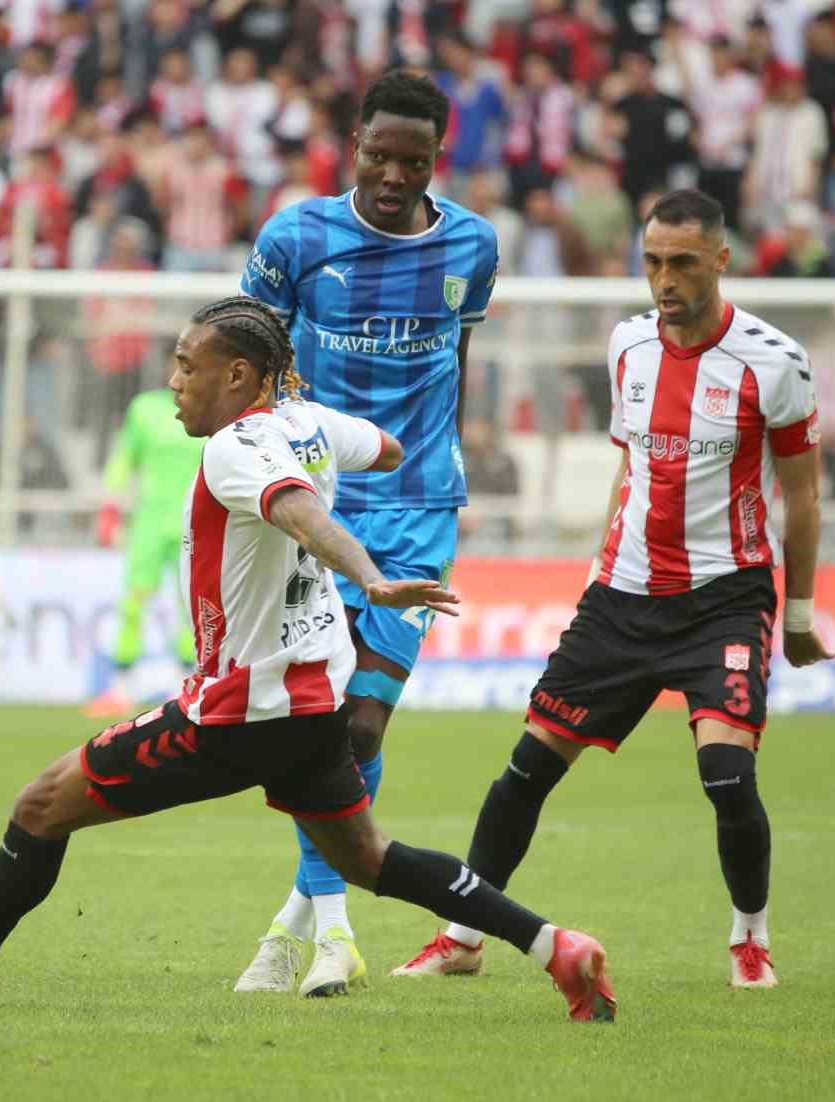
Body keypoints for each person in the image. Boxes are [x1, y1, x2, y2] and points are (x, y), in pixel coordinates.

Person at [0, 296, 616, 1023]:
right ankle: (557, 947)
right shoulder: (304, 422)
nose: (173, 382)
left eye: (186, 366)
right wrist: (309, 421)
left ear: (237, 376)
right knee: (369, 858)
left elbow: (299, 511)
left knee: (40, 804)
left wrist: (371, 577)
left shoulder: (236, 447)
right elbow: (386, 450)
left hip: (239, 712)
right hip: (312, 705)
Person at [394, 189, 833, 988]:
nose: (664, 280)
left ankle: (750, 938)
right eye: (653, 262)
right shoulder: (628, 345)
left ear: (722, 260)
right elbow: (633, 465)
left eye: (684, 264)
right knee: (525, 771)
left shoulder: (775, 362)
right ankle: (460, 936)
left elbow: (802, 494)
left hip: (724, 600)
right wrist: (599, 567)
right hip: (620, 601)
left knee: (728, 779)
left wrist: (798, 613)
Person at [235, 70, 498, 996]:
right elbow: (251, 356)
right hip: (318, 501)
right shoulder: (295, 236)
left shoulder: (474, 244)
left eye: (412, 161)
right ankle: (317, 927)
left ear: (437, 160)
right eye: (377, 155)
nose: (392, 174)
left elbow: (460, 350)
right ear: (354, 145)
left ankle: (306, 926)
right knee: (319, 722)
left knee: (360, 719)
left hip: (420, 508)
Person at [84, 385, 204, 717]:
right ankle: (121, 686)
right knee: (133, 601)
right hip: (148, 523)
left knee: (190, 604)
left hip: (193, 522)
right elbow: (125, 458)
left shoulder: (210, 410)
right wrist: (110, 506)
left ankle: (186, 682)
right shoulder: (144, 409)